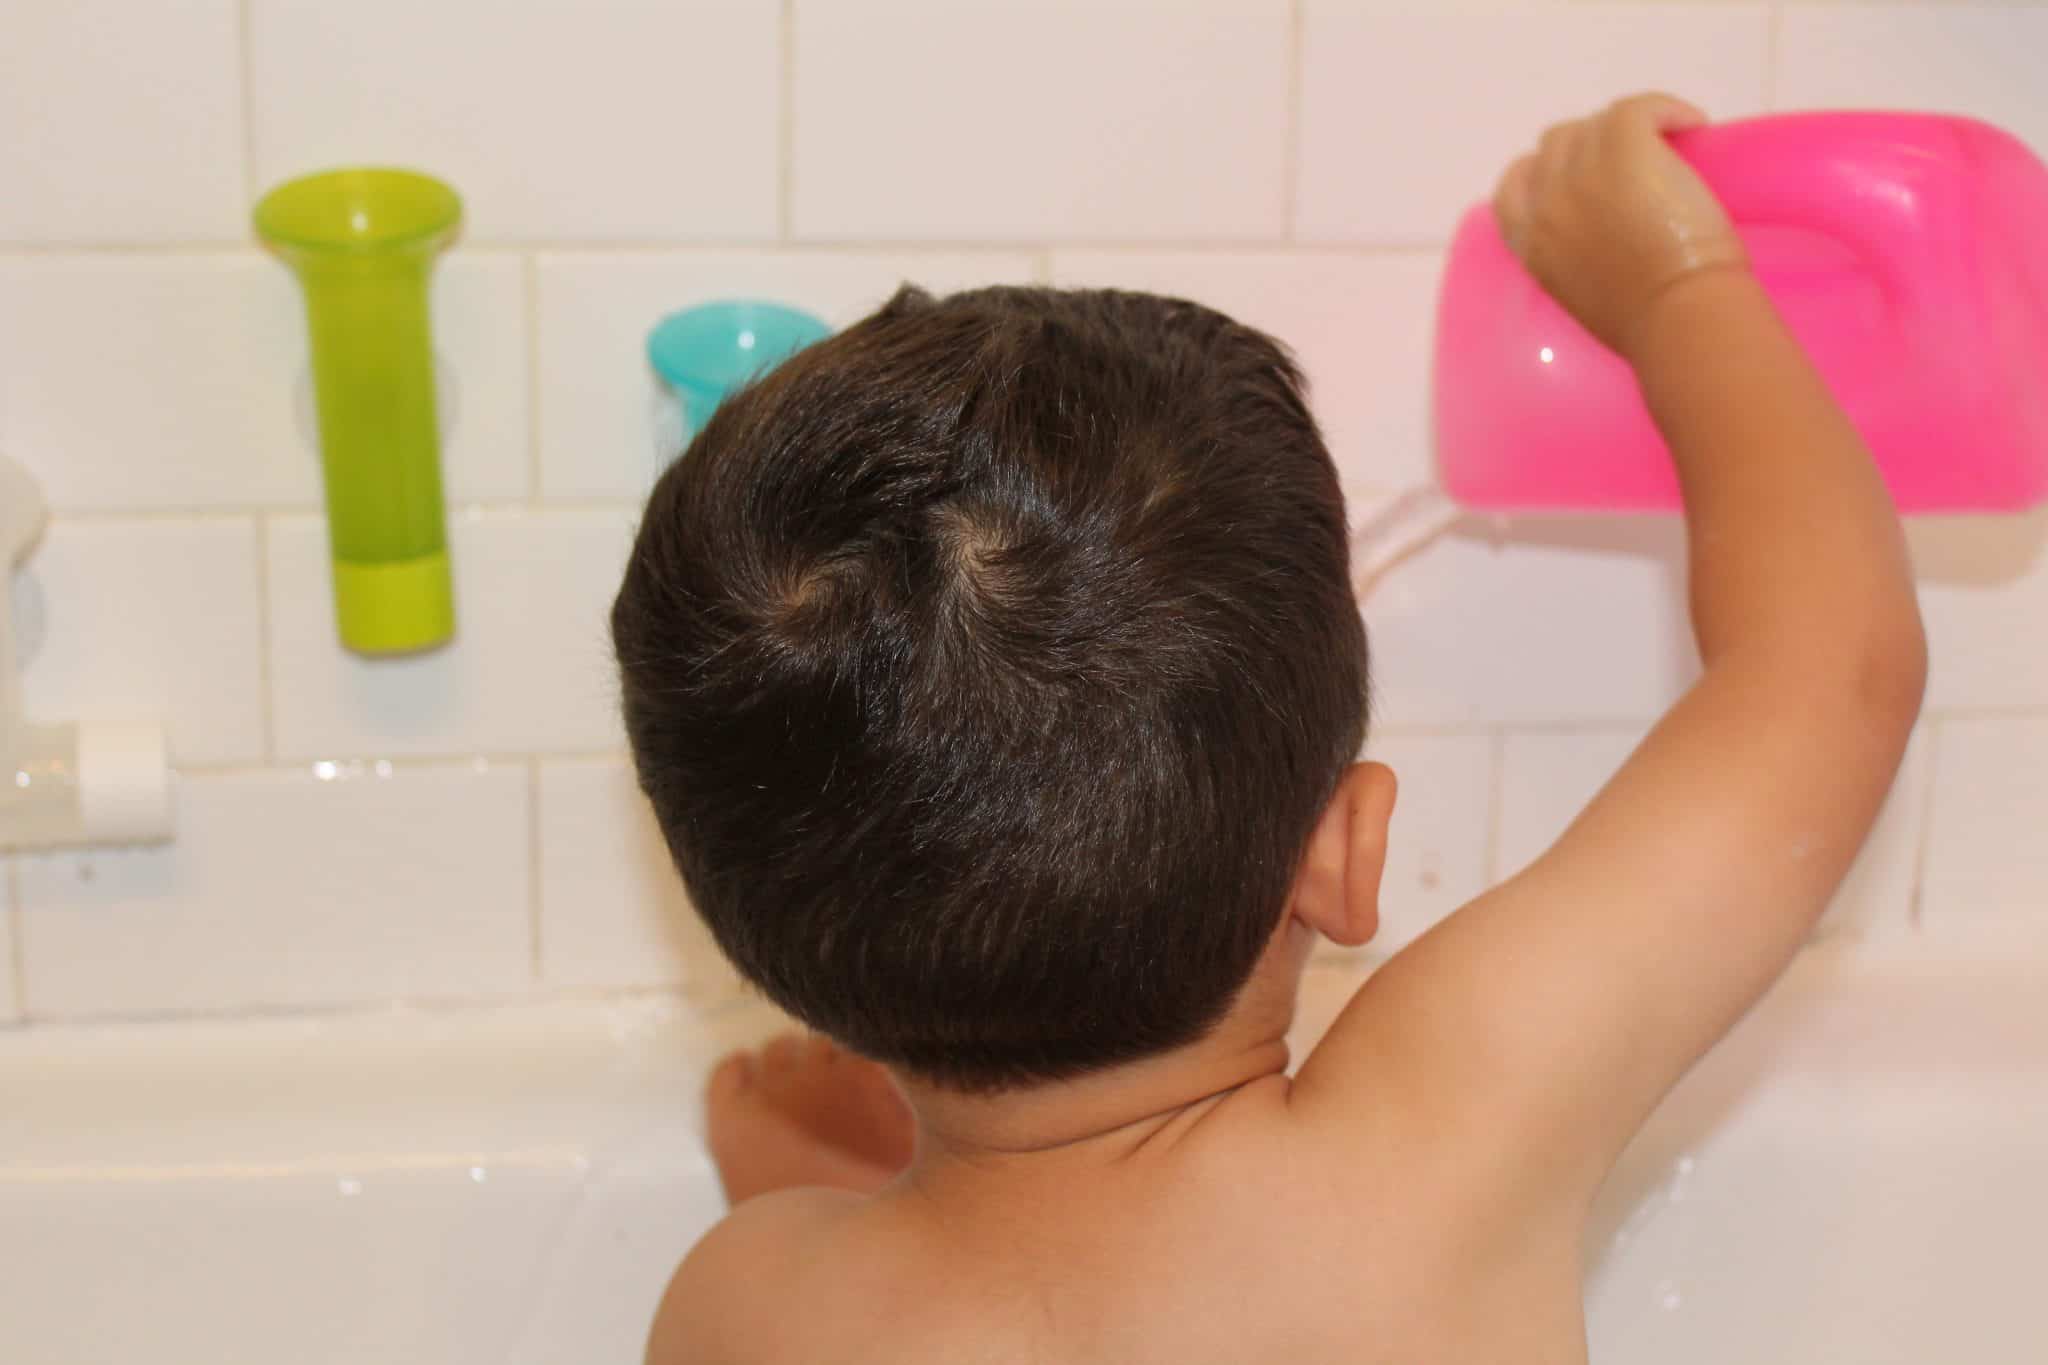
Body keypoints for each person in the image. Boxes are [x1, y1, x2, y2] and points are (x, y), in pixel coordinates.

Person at [610, 93, 1926, 1364]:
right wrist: (1678, 284)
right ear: (1341, 854)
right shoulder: (1437, 1146)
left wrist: (824, 1213)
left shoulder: (745, 1308)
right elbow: (1834, 674)